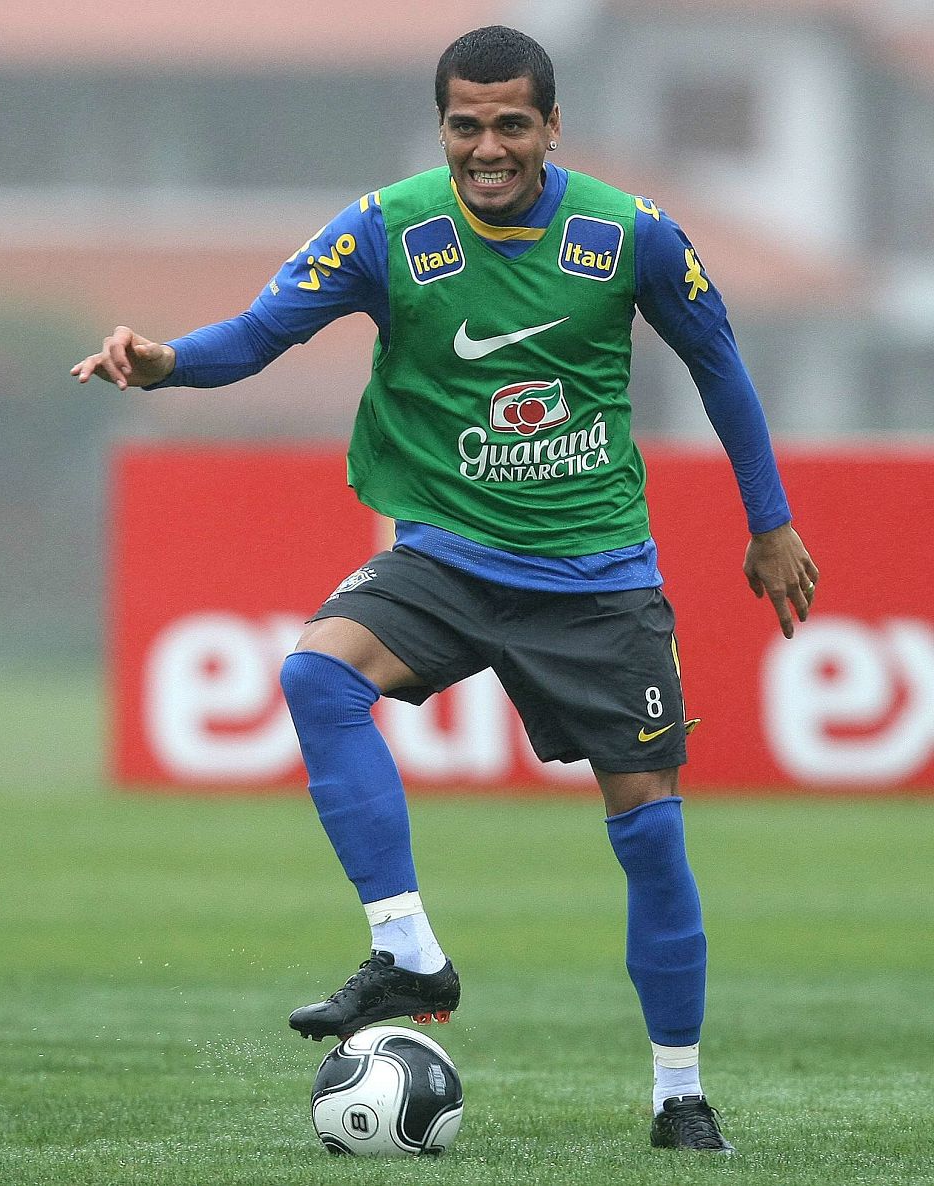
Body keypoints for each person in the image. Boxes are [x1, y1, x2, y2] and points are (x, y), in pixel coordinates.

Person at [73, 25, 818, 1154]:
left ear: (550, 126)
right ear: (442, 128)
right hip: (447, 559)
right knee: (315, 673)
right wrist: (165, 360)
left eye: (510, 123)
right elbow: (263, 333)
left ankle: (678, 1092)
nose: (486, 146)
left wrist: (770, 523)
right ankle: (409, 948)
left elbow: (720, 364)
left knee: (652, 837)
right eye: (465, 124)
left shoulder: (631, 236)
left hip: (595, 576)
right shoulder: (389, 227)